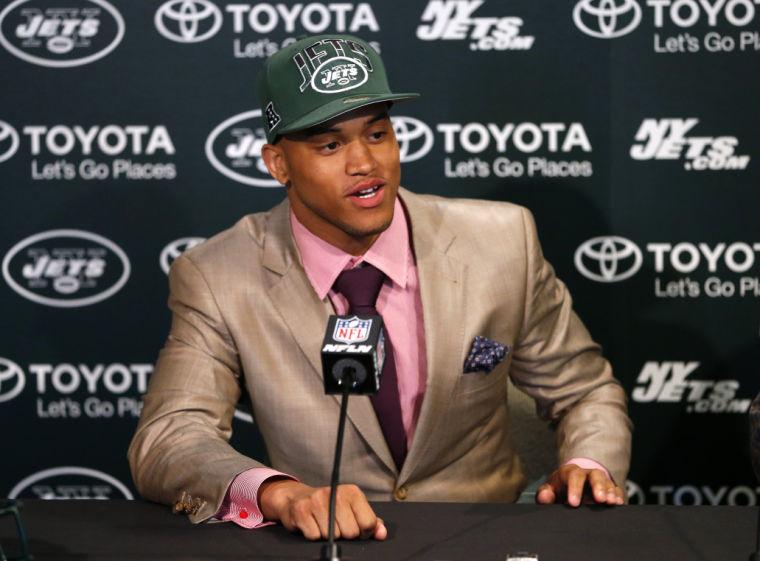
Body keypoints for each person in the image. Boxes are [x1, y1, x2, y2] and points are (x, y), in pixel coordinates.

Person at [128, 34, 632, 542]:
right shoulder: (218, 275)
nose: (364, 163)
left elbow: (584, 389)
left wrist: (588, 462)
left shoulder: (501, 243)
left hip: (485, 535)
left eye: (376, 134)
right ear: (278, 165)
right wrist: (280, 493)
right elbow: (171, 436)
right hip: (331, 545)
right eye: (330, 144)